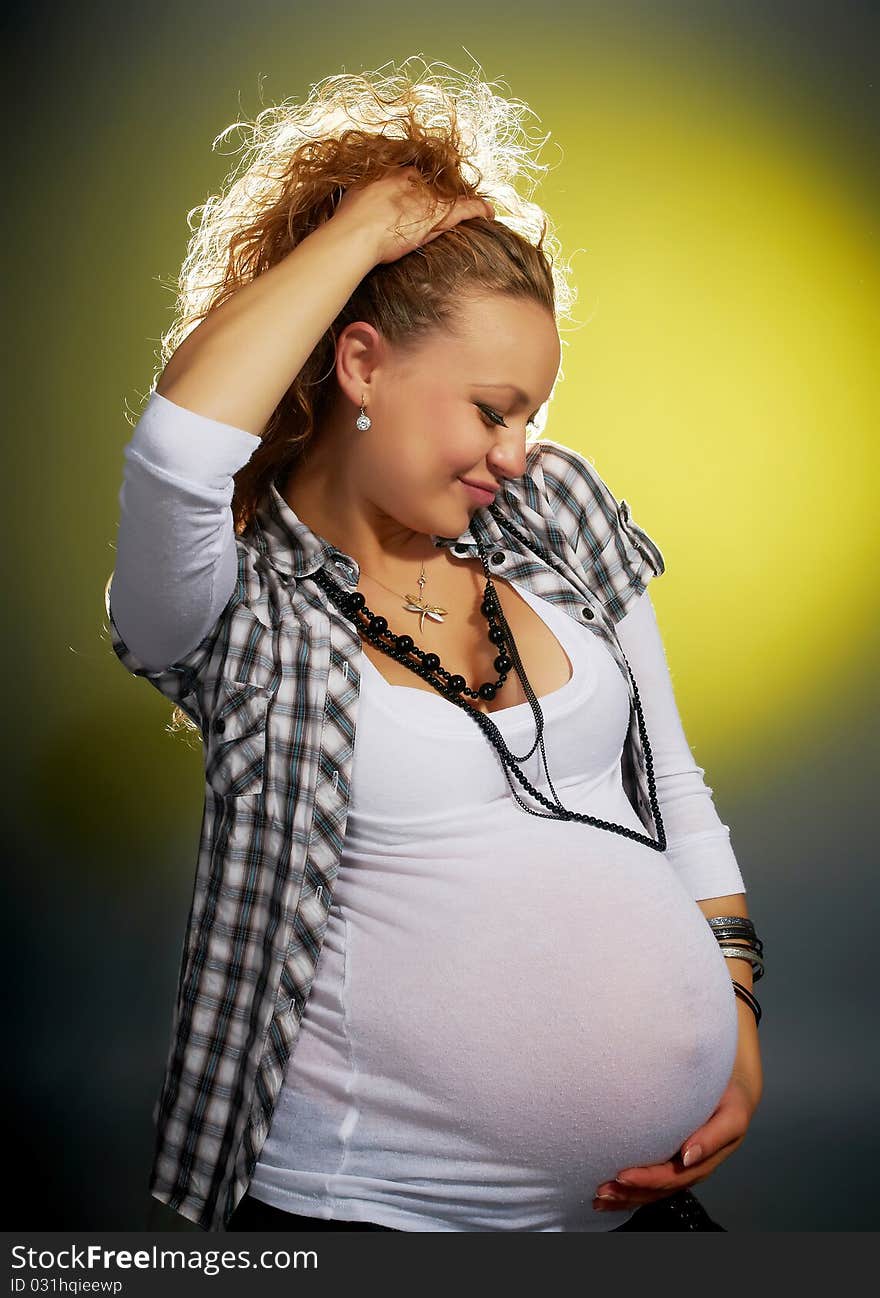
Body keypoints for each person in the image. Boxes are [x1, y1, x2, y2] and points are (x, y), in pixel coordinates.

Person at [104, 61, 764, 1233]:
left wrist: (734, 1015)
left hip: (629, 1208)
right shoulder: (233, 609)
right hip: (374, 1210)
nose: (515, 450)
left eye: (530, 416)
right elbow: (176, 452)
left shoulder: (552, 509)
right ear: (361, 363)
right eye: (491, 408)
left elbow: (672, 781)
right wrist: (366, 224)